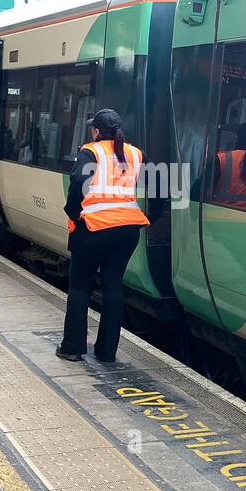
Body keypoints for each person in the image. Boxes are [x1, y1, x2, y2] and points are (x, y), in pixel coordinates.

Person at [57, 108, 150, 364]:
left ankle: (72, 348)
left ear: (96, 131)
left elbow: (77, 183)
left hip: (93, 229)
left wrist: (74, 212)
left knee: (79, 287)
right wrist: (154, 215)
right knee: (113, 286)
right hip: (128, 230)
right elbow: (158, 186)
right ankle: (106, 352)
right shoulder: (135, 153)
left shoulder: (91, 151)